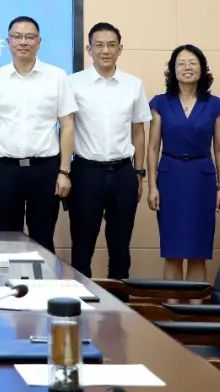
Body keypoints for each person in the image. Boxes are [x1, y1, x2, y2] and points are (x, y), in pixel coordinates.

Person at [0, 16, 76, 252]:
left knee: (43, 239)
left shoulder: (56, 76)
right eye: (17, 37)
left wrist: (64, 171)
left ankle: (42, 278)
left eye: (29, 37)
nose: (23, 42)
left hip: (45, 169)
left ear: (39, 42)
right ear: (8, 41)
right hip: (6, 169)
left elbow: (67, 126)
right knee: (7, 239)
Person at [67, 22, 151, 279]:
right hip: (86, 172)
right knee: (82, 246)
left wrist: (139, 173)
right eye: (99, 45)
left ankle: (119, 301)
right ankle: (82, 298)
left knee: (121, 246)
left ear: (120, 49)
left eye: (111, 45)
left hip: (123, 173)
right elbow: (65, 128)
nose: (106, 50)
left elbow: (138, 130)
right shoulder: (73, 83)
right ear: (89, 49)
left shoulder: (133, 84)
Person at [146, 44, 220, 282]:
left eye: (193, 63)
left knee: (198, 252)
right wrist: (152, 186)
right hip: (170, 177)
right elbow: (153, 148)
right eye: (181, 63)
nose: (187, 67)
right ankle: (171, 304)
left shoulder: (215, 105)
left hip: (202, 179)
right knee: (172, 252)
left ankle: (195, 304)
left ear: (202, 68)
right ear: (173, 70)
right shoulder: (160, 103)